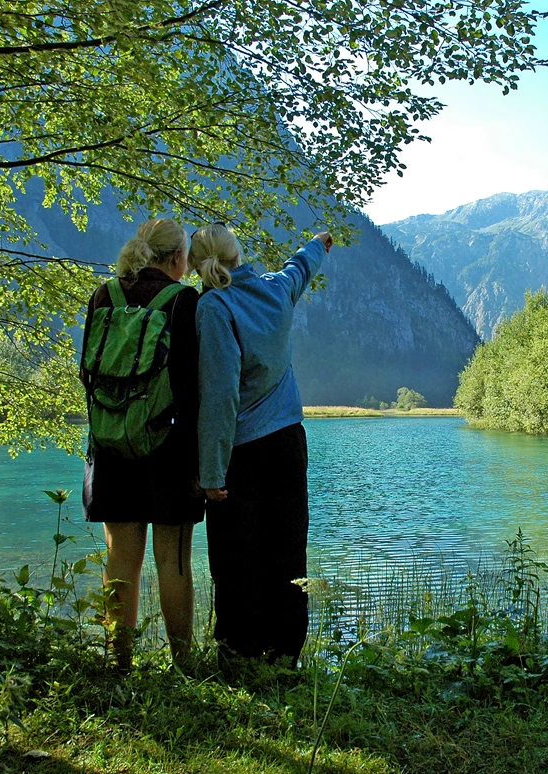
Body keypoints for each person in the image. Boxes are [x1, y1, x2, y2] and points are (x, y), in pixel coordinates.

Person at [191, 224, 333, 669]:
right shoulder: (275, 290)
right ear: (238, 254)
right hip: (289, 442)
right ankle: (285, 654)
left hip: (242, 452)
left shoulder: (214, 306)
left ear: (198, 265)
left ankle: (240, 654)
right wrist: (319, 243)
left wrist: (211, 473)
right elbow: (300, 268)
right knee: (288, 549)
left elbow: (220, 394)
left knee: (237, 556)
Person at [80, 218, 204, 670]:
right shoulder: (182, 300)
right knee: (172, 561)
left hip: (111, 444)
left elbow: (87, 373)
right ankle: (184, 665)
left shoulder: (104, 295)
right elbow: (192, 389)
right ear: (176, 259)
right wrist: (200, 463)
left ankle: (118, 660)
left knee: (121, 560)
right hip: (167, 447)